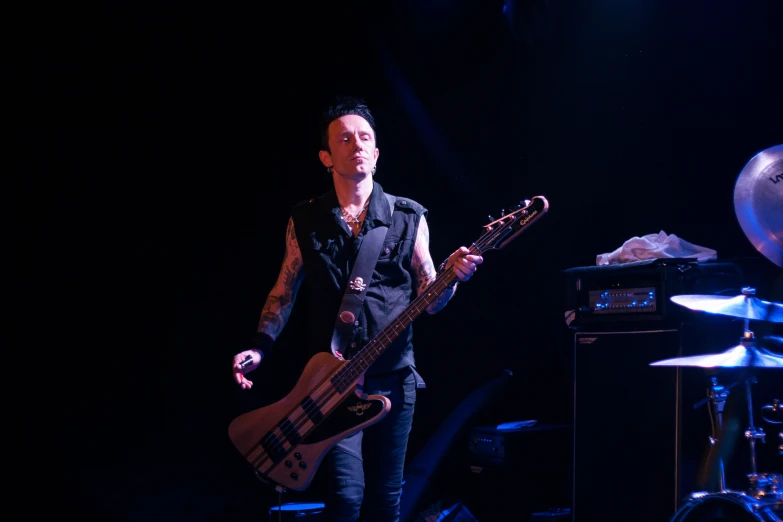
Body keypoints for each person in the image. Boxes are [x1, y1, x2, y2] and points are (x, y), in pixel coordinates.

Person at [230, 95, 483, 522]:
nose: (358, 144)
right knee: (346, 499)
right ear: (327, 157)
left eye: (366, 137)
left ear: (378, 153)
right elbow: (283, 292)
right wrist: (260, 347)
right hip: (331, 383)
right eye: (345, 139)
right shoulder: (305, 218)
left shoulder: (408, 216)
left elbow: (432, 301)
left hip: (394, 378)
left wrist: (452, 278)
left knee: (386, 503)